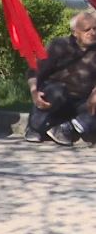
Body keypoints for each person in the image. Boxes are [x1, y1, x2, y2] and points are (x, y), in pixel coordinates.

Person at [25, 11, 96, 145]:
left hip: (81, 101)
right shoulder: (59, 45)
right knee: (57, 91)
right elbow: (34, 71)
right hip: (56, 96)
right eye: (87, 29)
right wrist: (34, 91)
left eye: (95, 28)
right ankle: (35, 127)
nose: (92, 33)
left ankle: (65, 127)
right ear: (75, 32)